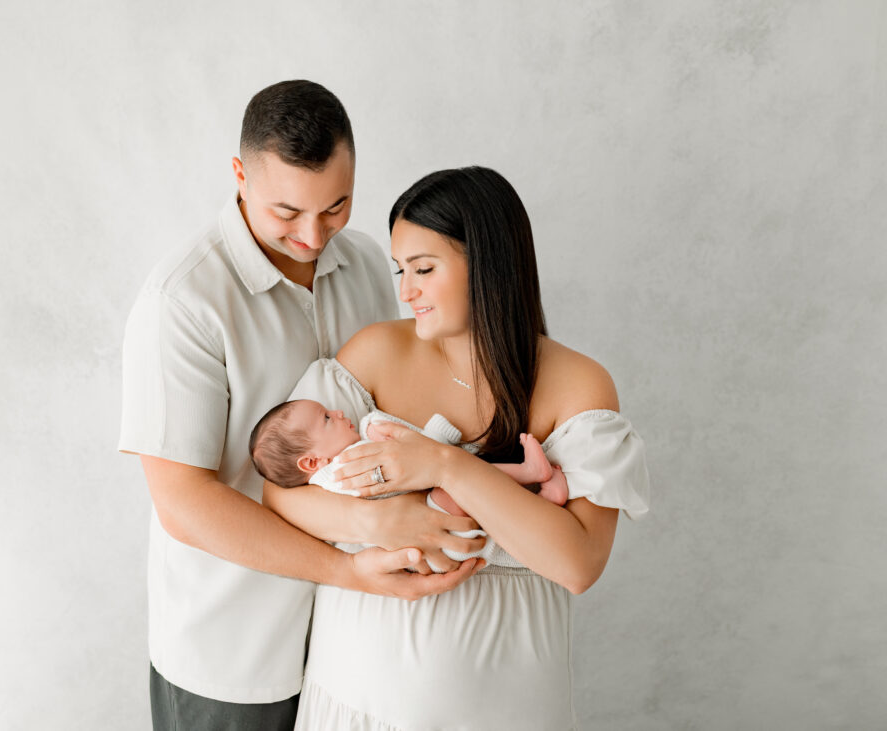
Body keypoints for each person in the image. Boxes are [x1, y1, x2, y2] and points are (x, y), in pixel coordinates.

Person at [118, 81, 484, 731]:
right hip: (234, 661)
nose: (314, 235)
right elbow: (182, 500)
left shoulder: (371, 262)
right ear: (239, 175)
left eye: (336, 206)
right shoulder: (183, 301)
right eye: (287, 212)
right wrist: (349, 567)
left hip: (353, 646)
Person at [263, 166, 651, 729]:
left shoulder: (579, 384)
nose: (405, 291)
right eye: (401, 270)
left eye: (423, 269)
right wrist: (387, 523)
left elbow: (578, 563)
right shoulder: (373, 354)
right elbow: (284, 495)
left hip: (510, 706)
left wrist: (446, 463)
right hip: (357, 694)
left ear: (490, 266)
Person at [249, 398, 570, 571]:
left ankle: (536, 487)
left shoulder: (338, 471)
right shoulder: (343, 470)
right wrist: (437, 435)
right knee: (469, 486)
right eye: (327, 419)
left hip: (429, 527)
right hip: (436, 536)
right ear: (311, 462)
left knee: (475, 487)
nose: (337, 411)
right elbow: (416, 464)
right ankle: (532, 481)